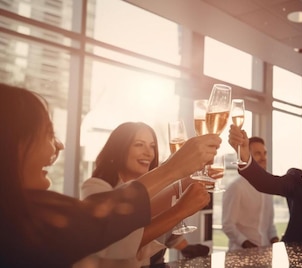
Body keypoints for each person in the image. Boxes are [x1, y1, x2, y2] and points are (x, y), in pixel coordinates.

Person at [0, 84, 219, 267]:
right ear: (9, 143)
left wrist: (180, 181)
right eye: (48, 134)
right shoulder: (23, 220)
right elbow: (101, 222)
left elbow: (119, 214)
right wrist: (174, 173)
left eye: (151, 146)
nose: (59, 144)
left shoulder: (21, 209)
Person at [75, 122, 210, 267]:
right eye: (139, 144)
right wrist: (180, 210)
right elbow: (121, 243)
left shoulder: (158, 189)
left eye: (152, 146)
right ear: (118, 148)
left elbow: (168, 232)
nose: (149, 152)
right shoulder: (95, 186)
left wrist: (186, 247)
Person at [222, 136, 279, 250]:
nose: (263, 158)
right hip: (240, 256)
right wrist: (247, 245)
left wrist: (275, 240)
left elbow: (269, 225)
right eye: (258, 154)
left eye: (264, 153)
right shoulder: (236, 187)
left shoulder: (268, 186)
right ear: (246, 155)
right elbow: (228, 225)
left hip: (266, 255)